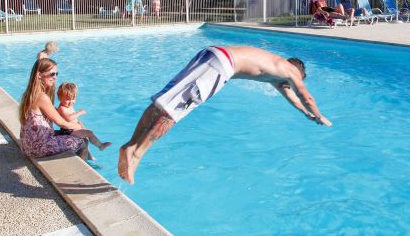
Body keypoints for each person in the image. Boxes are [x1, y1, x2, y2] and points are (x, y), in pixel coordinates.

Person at [118, 46, 332, 184]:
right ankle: (136, 154)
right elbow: (306, 97)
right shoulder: (292, 71)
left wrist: (306, 114)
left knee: (163, 102)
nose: (293, 85)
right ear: (298, 72)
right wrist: (319, 115)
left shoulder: (276, 70)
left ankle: (130, 145)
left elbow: (293, 98)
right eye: (297, 81)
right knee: (174, 111)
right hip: (222, 65)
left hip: (210, 54)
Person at [18, 58, 90, 159]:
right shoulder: (42, 97)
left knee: (73, 134)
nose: (55, 77)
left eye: (56, 74)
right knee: (82, 141)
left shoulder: (29, 94)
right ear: (39, 75)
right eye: (52, 74)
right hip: (38, 148)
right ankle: (83, 169)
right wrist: (78, 126)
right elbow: (61, 123)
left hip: (28, 145)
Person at [55, 82, 111, 152]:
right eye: (68, 99)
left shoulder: (67, 106)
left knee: (87, 135)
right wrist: (79, 113)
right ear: (59, 97)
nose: (71, 102)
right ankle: (100, 146)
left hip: (73, 129)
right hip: (68, 131)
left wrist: (80, 125)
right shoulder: (62, 108)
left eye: (73, 99)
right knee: (89, 133)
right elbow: (68, 118)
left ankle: (89, 155)